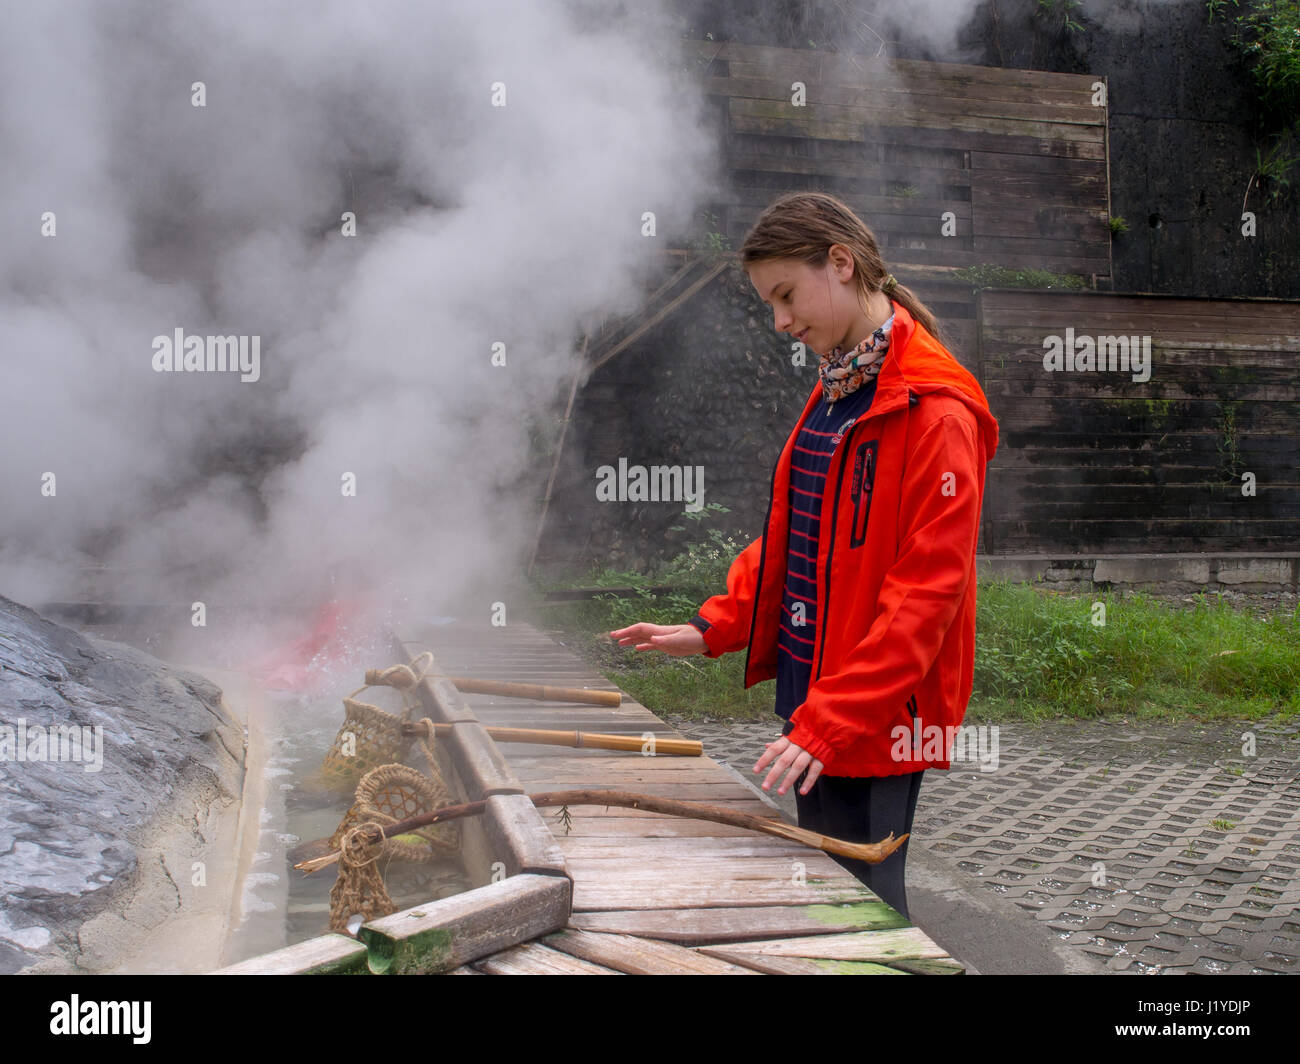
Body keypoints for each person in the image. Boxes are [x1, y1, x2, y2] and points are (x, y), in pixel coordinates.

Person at [609, 191, 999, 921]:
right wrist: (714, 625)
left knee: (870, 904)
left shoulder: (937, 411)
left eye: (786, 296)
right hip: (814, 691)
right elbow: (798, 536)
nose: (781, 322)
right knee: (827, 889)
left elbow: (927, 595)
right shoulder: (840, 389)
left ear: (842, 263)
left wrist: (832, 717)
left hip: (880, 712)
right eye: (769, 304)